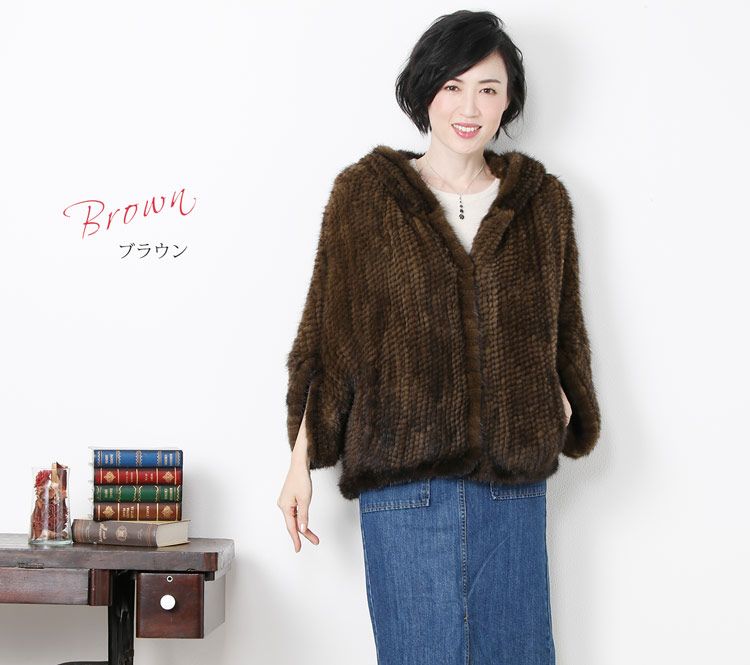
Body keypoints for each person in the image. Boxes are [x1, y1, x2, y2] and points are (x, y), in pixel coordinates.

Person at [278, 9, 601, 664]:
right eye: (453, 86)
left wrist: (565, 404)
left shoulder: (542, 201)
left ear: (509, 100)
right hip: (404, 488)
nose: (469, 107)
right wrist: (300, 460)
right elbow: (330, 337)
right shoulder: (365, 196)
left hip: (511, 487)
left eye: (488, 88)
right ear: (425, 90)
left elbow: (563, 327)